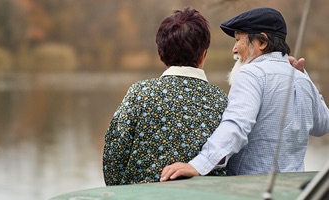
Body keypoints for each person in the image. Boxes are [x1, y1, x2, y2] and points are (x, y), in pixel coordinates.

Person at [160, 7, 329, 181]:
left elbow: (236, 126)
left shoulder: (251, 73)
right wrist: (306, 79)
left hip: (251, 189)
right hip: (294, 189)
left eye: (238, 39)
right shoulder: (301, 77)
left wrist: (197, 165)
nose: (234, 49)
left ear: (261, 42)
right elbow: (323, 124)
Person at [102, 7, 228, 186]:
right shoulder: (220, 101)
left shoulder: (140, 93)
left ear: (162, 55)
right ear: (203, 54)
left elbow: (114, 156)